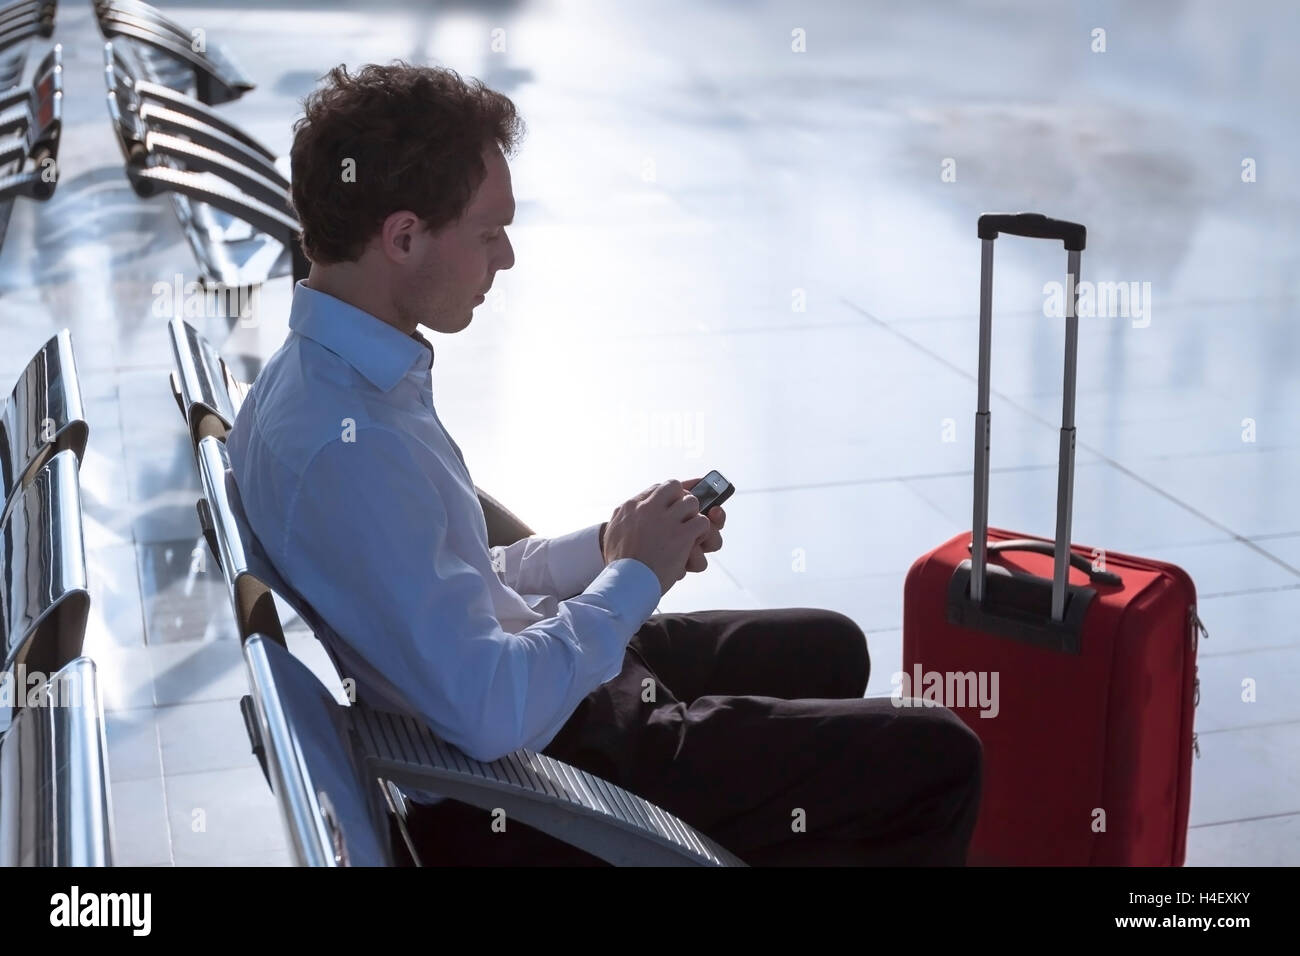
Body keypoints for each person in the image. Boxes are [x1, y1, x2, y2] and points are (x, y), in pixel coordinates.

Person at [227, 61, 982, 866]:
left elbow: (449, 577)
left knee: (829, 647)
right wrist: (633, 581)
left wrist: (615, 545)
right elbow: (489, 709)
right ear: (403, 236)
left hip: (539, 706)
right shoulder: (354, 441)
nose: (507, 258)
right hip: (539, 783)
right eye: (488, 233)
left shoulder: (321, 379)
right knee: (940, 757)